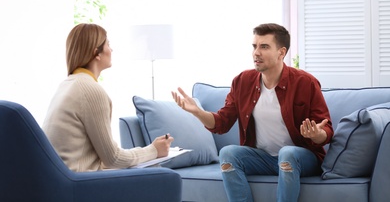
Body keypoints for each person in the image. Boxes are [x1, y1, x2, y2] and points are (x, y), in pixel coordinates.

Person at [172, 23, 333, 202]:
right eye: (254, 46)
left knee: (287, 153)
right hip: (262, 159)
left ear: (281, 52)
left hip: (300, 159)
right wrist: (197, 112)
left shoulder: (305, 82)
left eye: (264, 46)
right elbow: (221, 123)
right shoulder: (242, 81)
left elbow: (327, 132)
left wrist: (316, 134)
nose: (256, 52)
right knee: (228, 153)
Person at [43, 23, 173, 172]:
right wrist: (154, 150)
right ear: (96, 53)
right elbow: (114, 158)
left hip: (60, 178)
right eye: (108, 44)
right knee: (160, 174)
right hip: (78, 182)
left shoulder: (67, 85)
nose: (111, 50)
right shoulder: (90, 91)